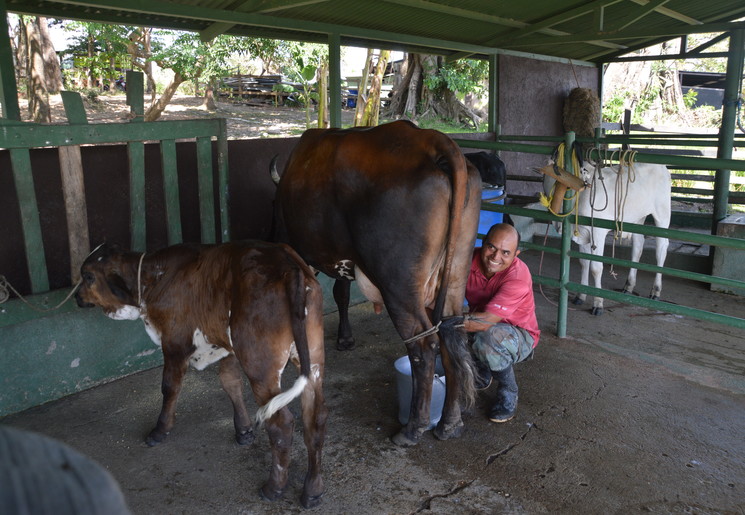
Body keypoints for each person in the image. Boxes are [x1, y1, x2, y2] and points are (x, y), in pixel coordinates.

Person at [463, 223, 540, 423]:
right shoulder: (467, 260)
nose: (496, 257)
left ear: (516, 254)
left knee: (487, 337)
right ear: (483, 243)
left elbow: (486, 322)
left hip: (519, 335)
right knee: (459, 333)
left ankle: (509, 390)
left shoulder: (518, 277)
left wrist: (443, 322)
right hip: (482, 321)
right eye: (491, 247)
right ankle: (483, 371)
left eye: (506, 252)